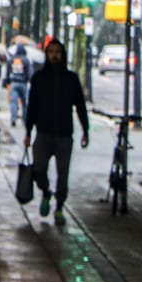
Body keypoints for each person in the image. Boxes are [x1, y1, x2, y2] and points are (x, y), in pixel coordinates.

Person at [23, 38, 90, 225]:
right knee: (38, 169)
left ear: (63, 55)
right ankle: (46, 192)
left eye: (57, 52)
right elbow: (32, 106)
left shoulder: (71, 79)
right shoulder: (39, 79)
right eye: (51, 52)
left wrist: (85, 129)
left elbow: (80, 106)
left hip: (64, 135)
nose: (54, 56)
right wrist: (28, 131)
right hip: (43, 132)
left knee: (63, 174)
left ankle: (59, 206)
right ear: (47, 55)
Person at [4, 44, 33, 126]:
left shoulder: (11, 59)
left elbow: (7, 72)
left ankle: (13, 119)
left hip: (13, 83)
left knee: (14, 102)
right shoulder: (26, 60)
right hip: (23, 83)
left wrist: (7, 82)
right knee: (25, 103)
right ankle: (25, 119)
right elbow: (29, 73)